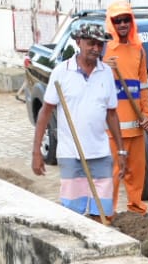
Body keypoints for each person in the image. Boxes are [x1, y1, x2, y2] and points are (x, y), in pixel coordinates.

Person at [32, 23, 125, 220]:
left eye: (100, 45)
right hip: (71, 154)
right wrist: (36, 152)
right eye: (91, 43)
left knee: (102, 213)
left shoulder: (106, 73)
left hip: (100, 153)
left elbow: (112, 114)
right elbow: (45, 112)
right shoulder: (61, 72)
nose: (96, 49)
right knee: (73, 215)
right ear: (78, 42)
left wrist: (121, 150)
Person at [103, 2, 148, 215]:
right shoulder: (104, 50)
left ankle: (137, 211)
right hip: (112, 129)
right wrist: (106, 69)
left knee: (136, 172)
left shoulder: (139, 49)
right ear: (111, 24)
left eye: (126, 19)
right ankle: (106, 214)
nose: (122, 24)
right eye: (117, 20)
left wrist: (146, 114)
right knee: (112, 173)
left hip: (136, 124)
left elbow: (144, 86)